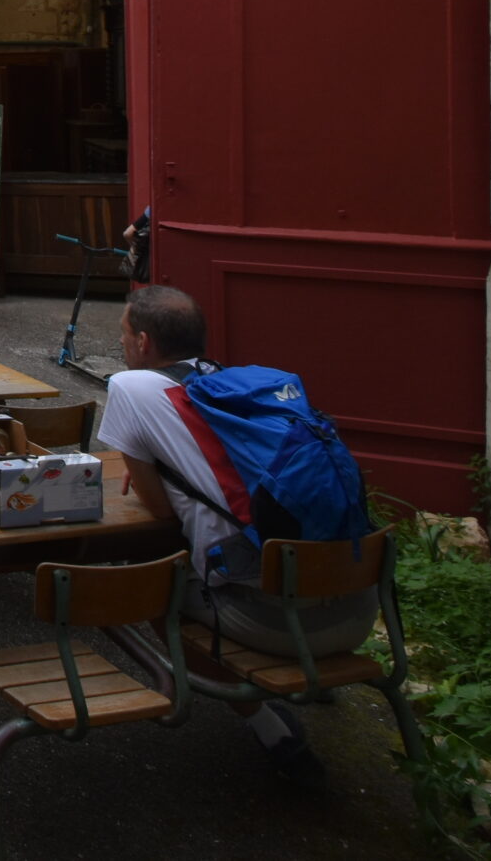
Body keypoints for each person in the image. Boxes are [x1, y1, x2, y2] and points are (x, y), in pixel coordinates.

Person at [96, 284, 374, 785]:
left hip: (276, 623)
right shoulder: (238, 389)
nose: (122, 345)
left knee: (155, 588)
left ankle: (271, 729)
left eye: (122, 334)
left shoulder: (131, 387)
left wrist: (149, 477)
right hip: (357, 614)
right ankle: (315, 687)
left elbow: (159, 510)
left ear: (142, 341)